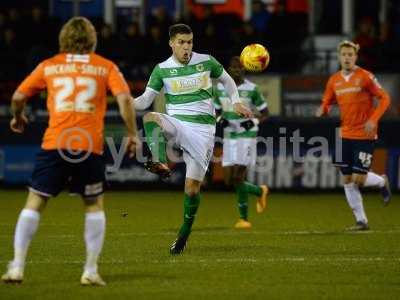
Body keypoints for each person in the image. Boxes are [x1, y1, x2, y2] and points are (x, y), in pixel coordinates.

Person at [1, 17, 138, 286]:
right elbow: (124, 99)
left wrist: (18, 118)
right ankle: (90, 270)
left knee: (35, 202)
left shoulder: (49, 66)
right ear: (92, 39)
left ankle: (17, 267)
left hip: (55, 143)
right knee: (93, 205)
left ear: (63, 39)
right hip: (88, 146)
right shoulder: (105, 66)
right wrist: (132, 134)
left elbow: (18, 97)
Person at [133, 24, 252, 254]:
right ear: (171, 43)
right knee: (151, 117)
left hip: (203, 131)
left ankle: (183, 236)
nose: (186, 47)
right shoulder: (162, 69)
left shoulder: (206, 61)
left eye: (189, 42)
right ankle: (159, 161)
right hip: (178, 124)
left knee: (192, 190)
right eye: (181, 42)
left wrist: (236, 101)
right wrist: (125, 103)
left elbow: (227, 80)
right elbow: (146, 100)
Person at [316, 40, 391, 231]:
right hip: (344, 133)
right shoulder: (334, 80)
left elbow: (385, 98)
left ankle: (382, 181)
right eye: (344, 55)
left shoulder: (365, 76)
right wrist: (323, 108)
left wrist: (373, 119)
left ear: (355, 56)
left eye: (351, 55)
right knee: (347, 179)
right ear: (339, 57)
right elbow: (327, 100)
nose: (347, 58)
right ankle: (361, 221)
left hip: (364, 134)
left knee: (359, 179)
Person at [213, 56, 269, 229]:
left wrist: (253, 122)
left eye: (240, 68)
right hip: (230, 136)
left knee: (239, 176)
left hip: (247, 135)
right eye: (234, 67)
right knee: (229, 180)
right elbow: (216, 111)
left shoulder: (252, 89)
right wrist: (220, 119)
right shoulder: (221, 88)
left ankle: (243, 219)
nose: (237, 70)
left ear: (244, 69)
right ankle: (260, 191)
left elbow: (265, 112)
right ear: (228, 69)